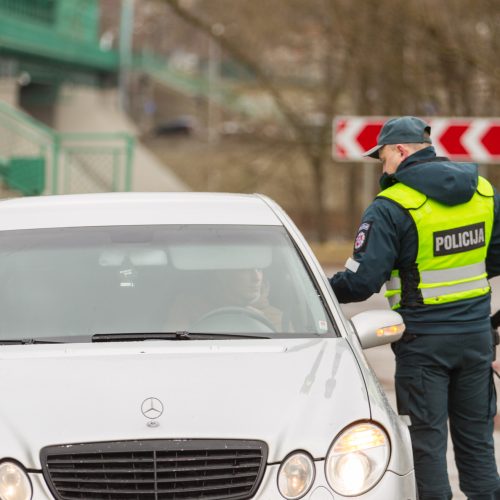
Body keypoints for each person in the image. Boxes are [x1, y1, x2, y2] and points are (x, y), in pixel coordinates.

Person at [330, 116, 500, 500]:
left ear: (400, 150)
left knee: (427, 445)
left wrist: (318, 290)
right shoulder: (485, 192)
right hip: (475, 338)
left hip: (424, 345)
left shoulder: (390, 206)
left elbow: (359, 283)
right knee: (477, 442)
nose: (383, 166)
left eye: (383, 157)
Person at [167, 268, 283, 331]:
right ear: (222, 273)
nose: (257, 278)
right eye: (245, 269)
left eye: (259, 269)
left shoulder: (275, 317)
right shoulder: (188, 307)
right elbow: (173, 351)